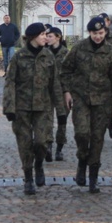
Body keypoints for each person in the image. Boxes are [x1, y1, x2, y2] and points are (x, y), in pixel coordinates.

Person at [61, 16, 112, 193]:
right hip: (81, 98)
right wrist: (67, 91)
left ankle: (93, 178)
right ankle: (82, 161)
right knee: (82, 133)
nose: (98, 36)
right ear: (89, 33)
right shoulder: (79, 48)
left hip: (102, 101)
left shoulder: (110, 51)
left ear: (105, 32)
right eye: (95, 33)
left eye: (101, 33)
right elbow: (65, 70)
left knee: (97, 139)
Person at [3, 23, 66, 195]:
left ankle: (39, 164)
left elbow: (55, 85)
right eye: (43, 34)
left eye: (47, 34)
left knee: (41, 142)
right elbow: (10, 82)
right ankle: (28, 177)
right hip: (22, 108)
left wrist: (61, 111)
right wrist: (9, 107)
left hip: (43, 107)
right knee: (24, 144)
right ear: (33, 37)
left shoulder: (48, 56)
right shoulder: (19, 57)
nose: (46, 37)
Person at [45, 26, 69, 161]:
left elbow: (71, 73)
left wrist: (68, 91)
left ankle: (60, 148)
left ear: (58, 37)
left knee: (62, 120)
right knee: (47, 120)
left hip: (62, 91)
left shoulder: (66, 53)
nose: (47, 38)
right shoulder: (44, 53)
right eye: (47, 36)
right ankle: (48, 146)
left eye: (50, 36)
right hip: (47, 91)